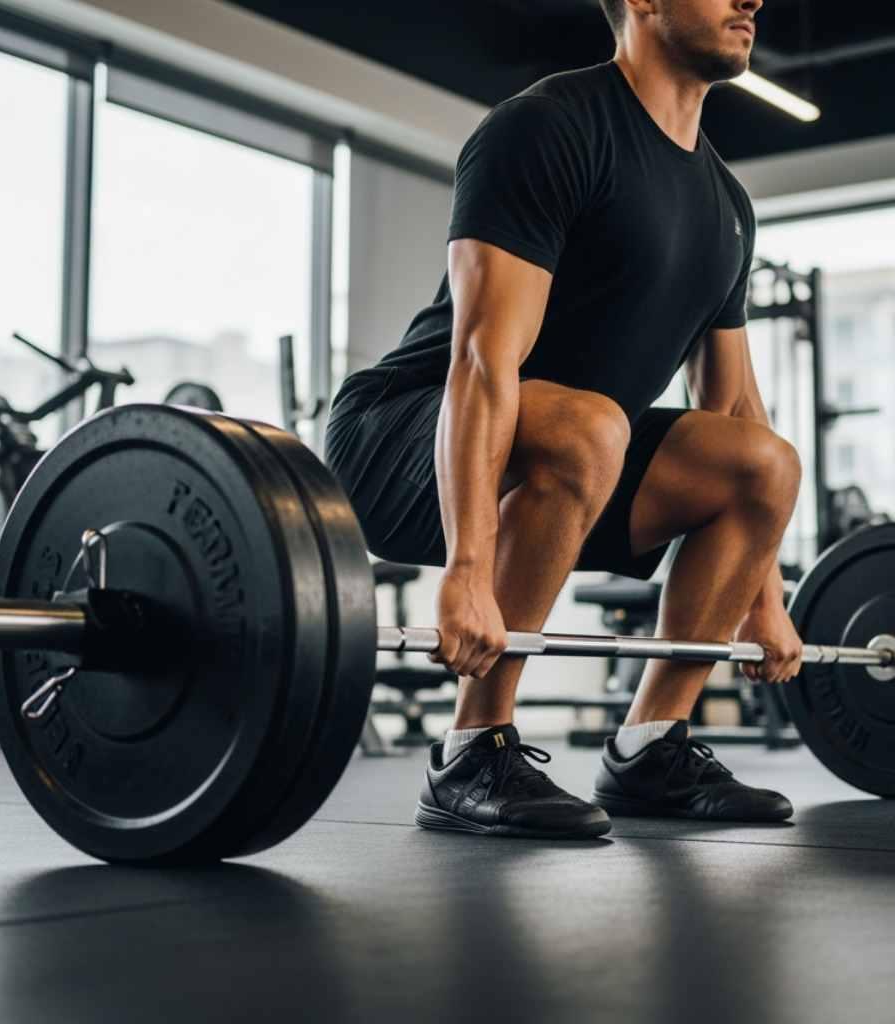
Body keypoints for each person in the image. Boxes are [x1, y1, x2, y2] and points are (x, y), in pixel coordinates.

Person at [325, 0, 803, 840]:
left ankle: (652, 744)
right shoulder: (548, 126)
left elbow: (729, 405)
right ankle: (470, 750)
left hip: (575, 450)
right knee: (592, 426)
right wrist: (468, 568)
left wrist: (763, 596)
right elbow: (482, 358)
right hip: (404, 435)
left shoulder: (726, 202)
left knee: (764, 461)